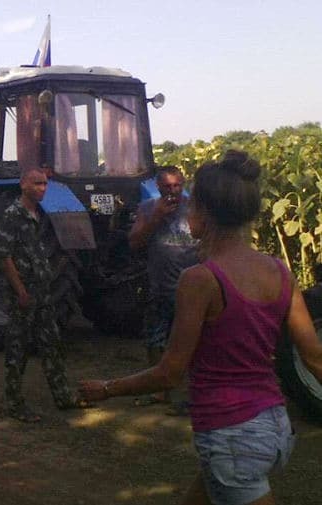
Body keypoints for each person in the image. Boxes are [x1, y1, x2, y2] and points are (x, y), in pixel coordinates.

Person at [79, 150, 322, 505]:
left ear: (204, 214)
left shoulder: (200, 279)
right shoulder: (280, 272)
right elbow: (314, 356)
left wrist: (105, 388)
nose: (186, 211)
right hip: (274, 424)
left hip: (232, 434)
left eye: (192, 205)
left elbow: (169, 373)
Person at [0, 167, 92, 422]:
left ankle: (63, 396)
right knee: (18, 350)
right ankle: (15, 404)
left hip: (43, 293)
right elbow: (4, 257)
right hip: (24, 295)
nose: (42, 188)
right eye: (37, 184)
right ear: (23, 185)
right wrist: (21, 291)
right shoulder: (12, 215)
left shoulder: (38, 214)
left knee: (52, 346)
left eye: (45, 184)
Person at [128, 166, 199, 413]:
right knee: (155, 341)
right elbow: (135, 242)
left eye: (177, 185)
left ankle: (195, 396)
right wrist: (156, 217)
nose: (173, 191)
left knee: (194, 342)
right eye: (167, 187)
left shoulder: (195, 207)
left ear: (183, 184)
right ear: (158, 187)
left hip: (192, 290)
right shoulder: (148, 208)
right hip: (160, 287)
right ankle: (159, 391)